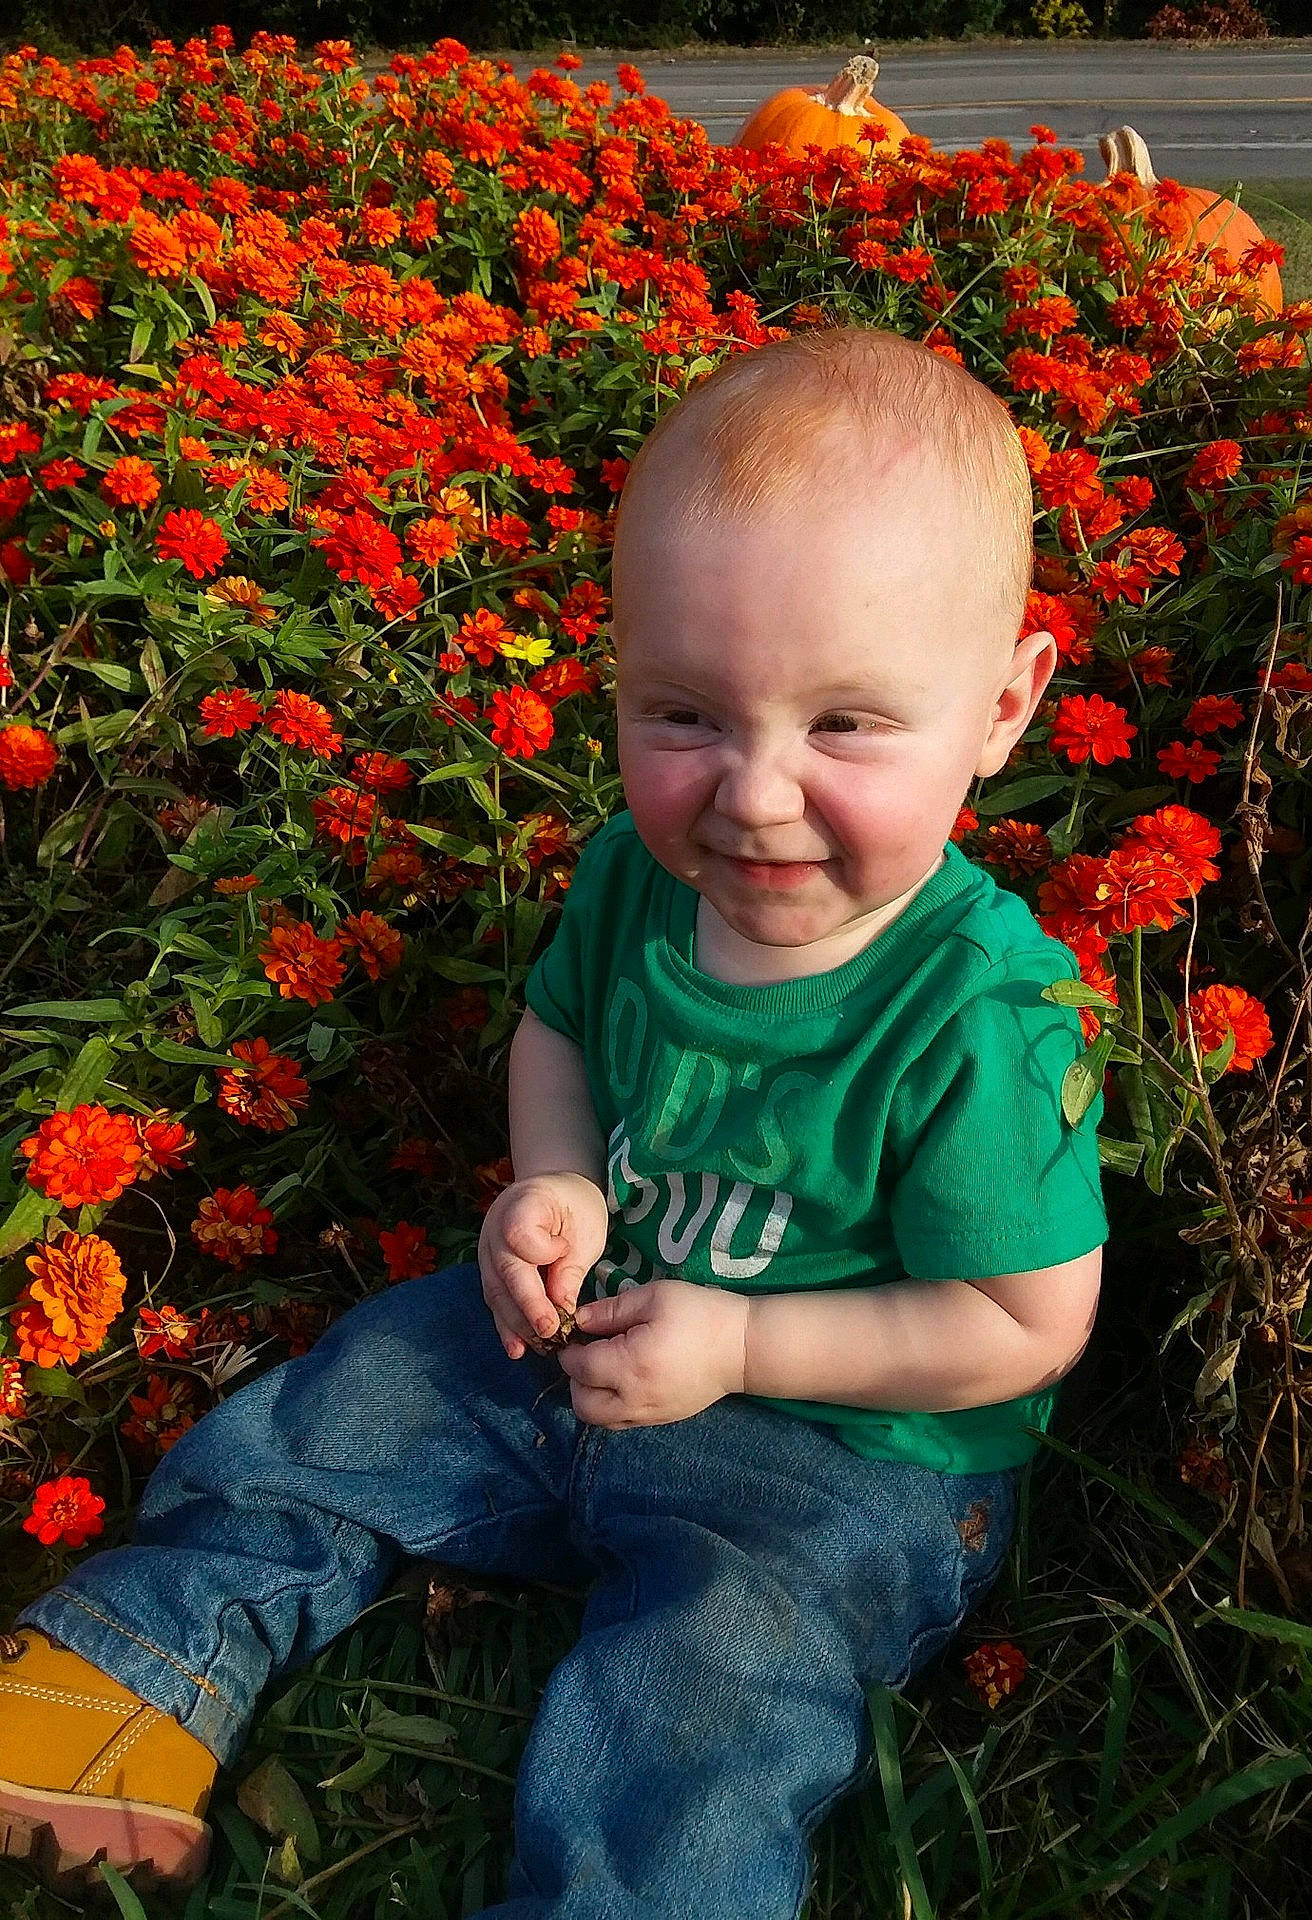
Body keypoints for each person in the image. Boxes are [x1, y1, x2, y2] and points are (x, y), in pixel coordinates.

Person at [0, 323, 1108, 1917]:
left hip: (843, 1452)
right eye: (685, 716)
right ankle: (134, 1667)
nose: (755, 793)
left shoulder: (983, 1014)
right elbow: (562, 1031)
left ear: (1005, 707)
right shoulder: (635, 885)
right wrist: (560, 1186)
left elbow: (1022, 1322)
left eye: (845, 724)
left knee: (717, 1680)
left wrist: (740, 1352)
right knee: (348, 1405)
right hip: (580, 1342)